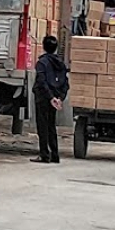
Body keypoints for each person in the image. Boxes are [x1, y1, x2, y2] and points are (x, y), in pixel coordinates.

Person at [31, 35, 69, 164]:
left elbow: (41, 81)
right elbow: (65, 83)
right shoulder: (61, 64)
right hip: (55, 98)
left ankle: (44, 154)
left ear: (43, 47)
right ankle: (55, 154)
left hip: (43, 97)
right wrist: (59, 98)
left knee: (42, 126)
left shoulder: (42, 63)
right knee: (51, 126)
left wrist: (50, 97)